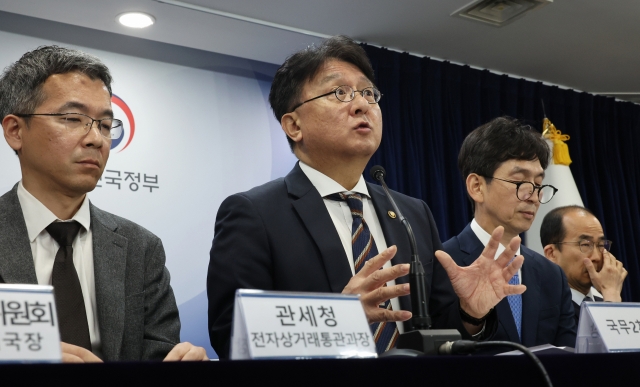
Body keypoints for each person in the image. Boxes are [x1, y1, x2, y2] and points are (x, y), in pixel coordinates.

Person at [208, 36, 526, 358]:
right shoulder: (255, 213)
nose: (361, 104)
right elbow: (233, 336)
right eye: (339, 93)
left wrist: (471, 313)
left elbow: (440, 337)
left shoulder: (412, 212)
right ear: (293, 125)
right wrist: (339, 319)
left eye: (368, 93)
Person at [0, 46, 207, 362]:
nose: (96, 138)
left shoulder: (141, 248)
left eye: (106, 125)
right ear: (15, 131)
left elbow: (158, 351)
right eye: (73, 118)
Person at [442, 117, 576, 348]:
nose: (534, 196)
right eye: (520, 182)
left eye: (538, 184)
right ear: (477, 186)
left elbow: (568, 354)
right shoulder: (443, 264)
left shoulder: (552, 275)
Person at [540, 205, 627, 325]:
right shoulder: (543, 310)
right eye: (585, 245)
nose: (596, 257)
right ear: (551, 254)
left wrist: (611, 295)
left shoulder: (605, 302)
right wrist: (611, 293)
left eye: (601, 245)